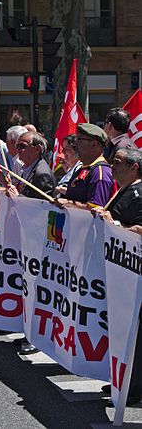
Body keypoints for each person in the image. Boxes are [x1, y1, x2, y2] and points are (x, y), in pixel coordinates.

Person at [93, 148, 142, 407]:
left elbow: (138, 230)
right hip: (120, 273)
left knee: (135, 334)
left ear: (134, 167)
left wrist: (114, 224)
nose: (112, 166)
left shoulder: (138, 193)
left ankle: (132, 388)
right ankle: (123, 381)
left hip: (133, 276)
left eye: (118, 162)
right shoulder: (122, 190)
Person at [6, 131, 55, 355]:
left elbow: (41, 209)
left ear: (38, 148)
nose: (19, 150)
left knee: (36, 289)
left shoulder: (42, 172)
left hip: (38, 241)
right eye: (18, 145)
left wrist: (18, 197)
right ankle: (29, 332)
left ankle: (35, 338)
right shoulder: (28, 168)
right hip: (28, 239)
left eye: (24, 146)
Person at [56, 123, 115, 210]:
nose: (75, 145)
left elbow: (96, 209)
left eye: (79, 140)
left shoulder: (100, 171)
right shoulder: (83, 168)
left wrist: (68, 203)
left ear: (94, 144)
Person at [7, 131, 55, 199]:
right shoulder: (27, 167)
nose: (18, 150)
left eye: (22, 146)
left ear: (37, 149)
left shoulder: (42, 174)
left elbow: (43, 205)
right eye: (17, 146)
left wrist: (17, 197)